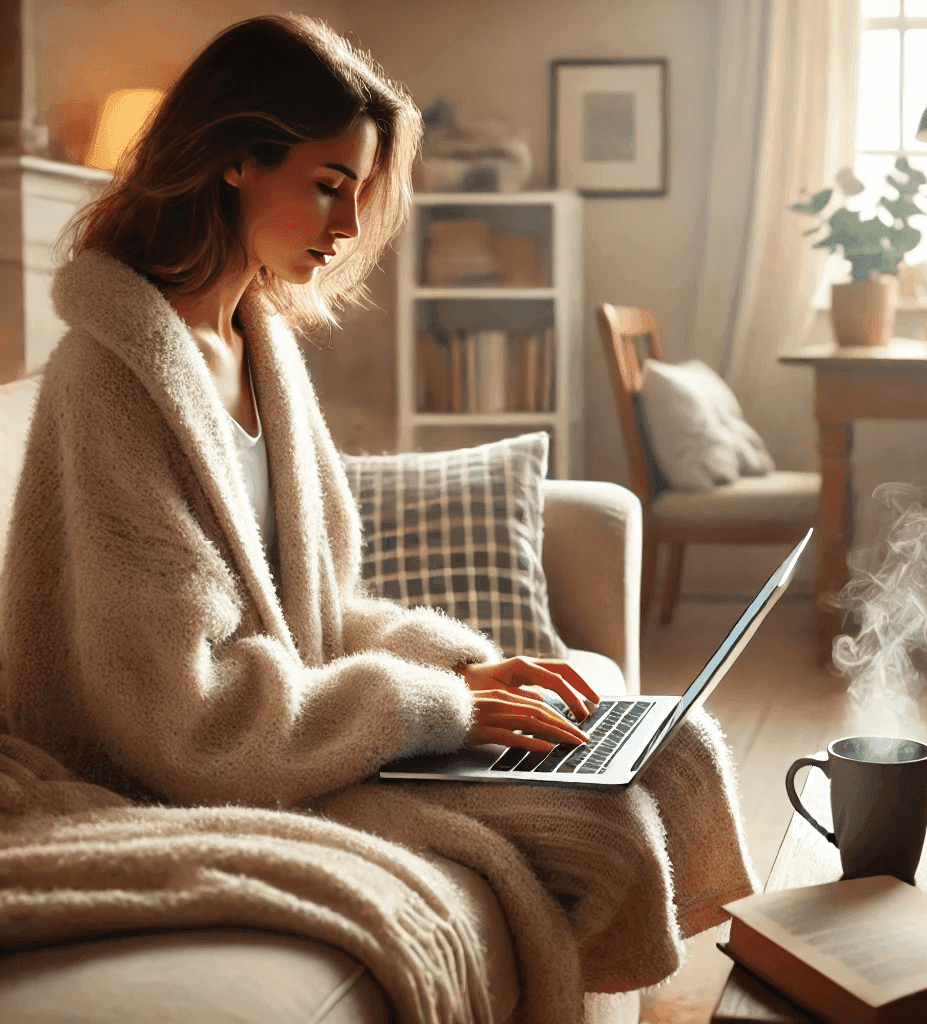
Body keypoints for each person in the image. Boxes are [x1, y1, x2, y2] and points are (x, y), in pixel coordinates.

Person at [0, 13, 757, 1012]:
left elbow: (311, 608)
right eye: (327, 185)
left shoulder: (254, 342)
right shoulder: (108, 378)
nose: (349, 226)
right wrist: (444, 710)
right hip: (194, 765)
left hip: (291, 724)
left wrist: (468, 667)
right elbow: (178, 709)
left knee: (679, 740)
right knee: (601, 817)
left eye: (359, 194)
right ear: (233, 160)